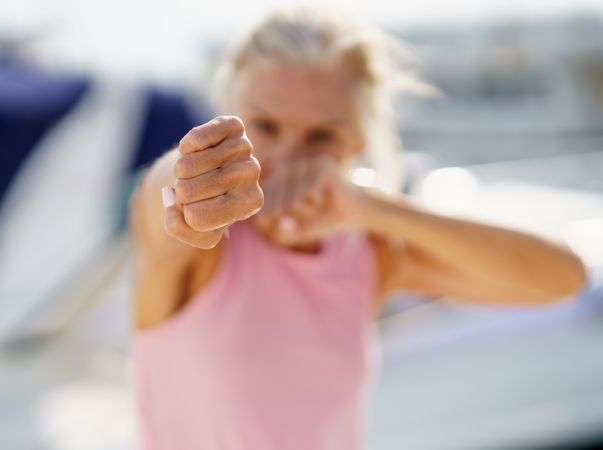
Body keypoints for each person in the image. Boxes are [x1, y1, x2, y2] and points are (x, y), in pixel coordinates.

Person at [129, 6, 586, 450]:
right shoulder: (204, 253)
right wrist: (189, 178)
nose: (289, 159)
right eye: (263, 127)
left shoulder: (369, 255)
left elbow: (562, 279)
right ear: (227, 115)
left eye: (322, 136)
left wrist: (373, 208)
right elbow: (158, 202)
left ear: (356, 144)